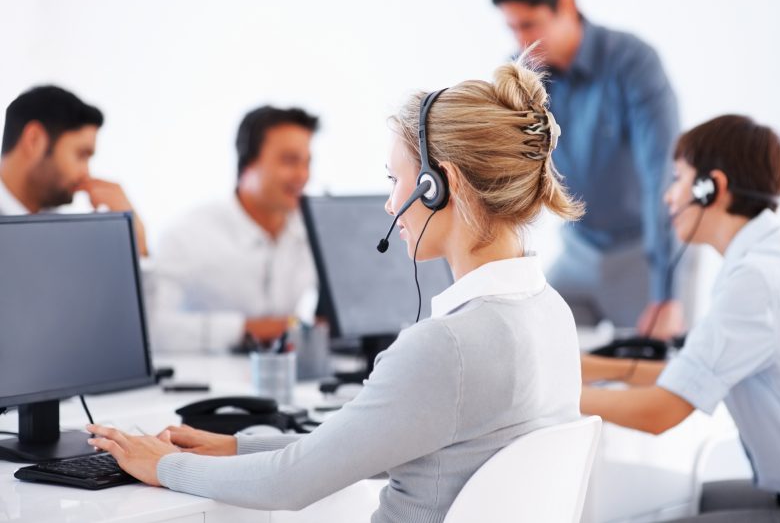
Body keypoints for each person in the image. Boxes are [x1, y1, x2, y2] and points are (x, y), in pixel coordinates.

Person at [87, 54, 585, 521]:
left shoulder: (445, 347)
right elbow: (368, 443)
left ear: (439, 184)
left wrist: (161, 466)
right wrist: (235, 447)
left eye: (396, 179)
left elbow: (289, 484)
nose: (391, 205)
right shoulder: (551, 313)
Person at [580, 115, 780, 521]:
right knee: (686, 503)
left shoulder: (755, 281)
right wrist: (586, 367)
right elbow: (689, 369)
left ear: (711, 188)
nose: (668, 196)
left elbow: (659, 412)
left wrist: (552, 396)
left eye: (678, 178)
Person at [493, 0, 684, 338]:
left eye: (529, 25)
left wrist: (666, 292)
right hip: (579, 249)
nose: (520, 41)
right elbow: (506, 174)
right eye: (512, 28)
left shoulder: (633, 62)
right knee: (536, 344)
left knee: (651, 377)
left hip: (643, 253)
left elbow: (660, 177)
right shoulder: (521, 72)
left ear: (566, 4)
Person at [150, 106, 318, 352]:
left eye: (307, 162)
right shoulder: (187, 234)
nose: (303, 175)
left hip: (290, 380)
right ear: (247, 163)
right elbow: (154, 329)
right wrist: (245, 329)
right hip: (210, 383)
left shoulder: (308, 231)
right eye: (290, 161)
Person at [0, 85, 148, 255]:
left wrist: (136, 242)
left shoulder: (64, 238)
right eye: (81, 155)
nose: (86, 173)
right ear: (34, 140)